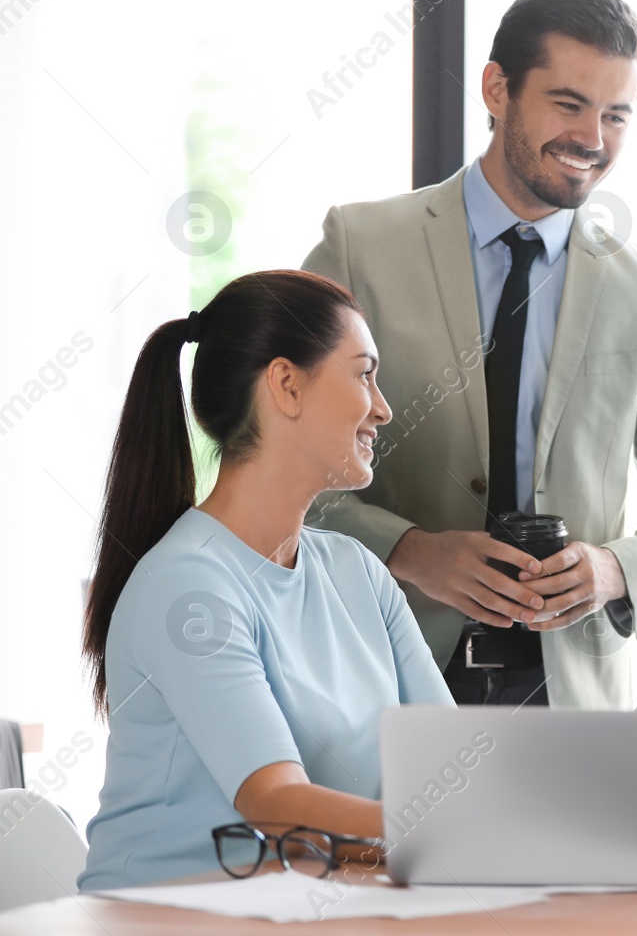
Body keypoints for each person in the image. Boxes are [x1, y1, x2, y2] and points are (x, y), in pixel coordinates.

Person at [302, 0, 637, 709]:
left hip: (571, 695)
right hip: (383, 671)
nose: (592, 139)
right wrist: (409, 549)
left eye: (616, 115)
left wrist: (615, 567)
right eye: (568, 103)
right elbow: (276, 465)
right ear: (496, 89)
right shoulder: (361, 247)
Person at [78, 271, 453, 891]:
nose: (383, 407)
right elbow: (276, 805)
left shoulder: (356, 571)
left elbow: (445, 764)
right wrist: (458, 839)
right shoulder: (189, 587)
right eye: (364, 373)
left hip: (315, 906)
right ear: (286, 384)